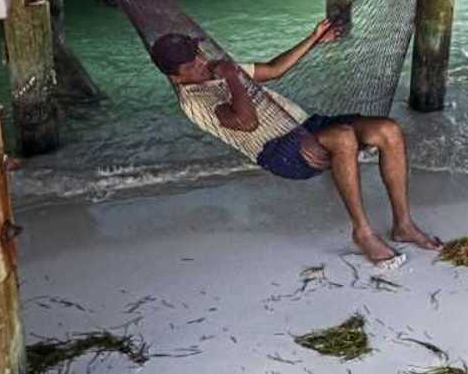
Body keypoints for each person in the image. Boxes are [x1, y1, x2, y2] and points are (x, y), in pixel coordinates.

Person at [150, 21, 442, 269]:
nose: (202, 63)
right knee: (342, 137)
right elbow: (247, 122)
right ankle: (363, 232)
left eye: (198, 53)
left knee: (388, 130)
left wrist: (315, 38)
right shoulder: (195, 102)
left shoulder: (214, 68)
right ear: (175, 76)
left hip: (306, 127)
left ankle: (403, 225)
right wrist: (231, 77)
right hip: (279, 152)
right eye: (192, 64)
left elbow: (275, 69)